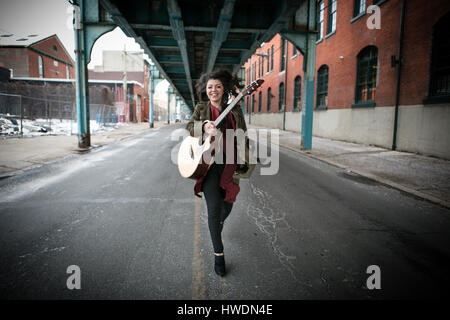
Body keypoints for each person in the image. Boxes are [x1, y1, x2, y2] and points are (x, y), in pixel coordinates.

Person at [186, 69, 255, 277]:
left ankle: (219, 224)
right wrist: (204, 125)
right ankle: (219, 254)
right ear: (205, 91)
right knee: (214, 210)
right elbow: (190, 127)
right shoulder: (201, 108)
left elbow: (242, 132)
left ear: (223, 89)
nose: (213, 90)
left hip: (230, 165)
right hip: (208, 166)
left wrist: (237, 107)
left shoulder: (233, 110)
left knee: (226, 209)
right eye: (209, 87)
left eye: (217, 86)